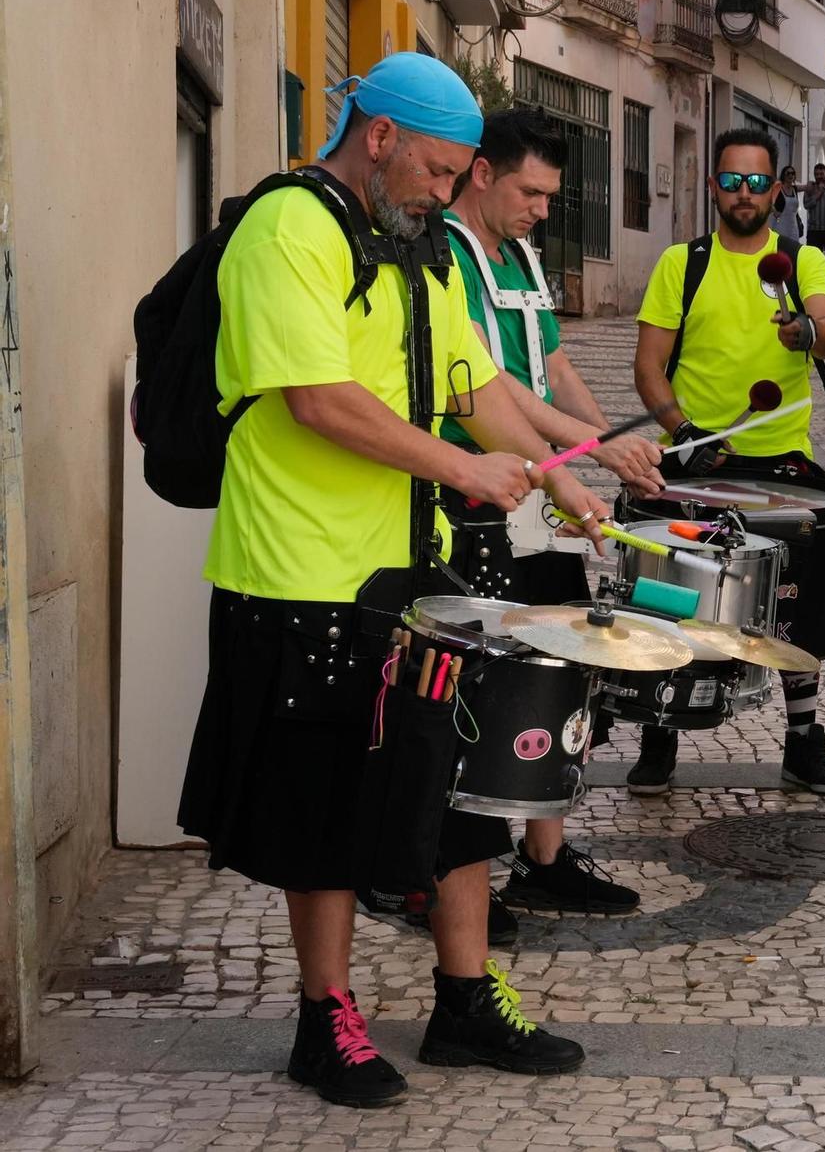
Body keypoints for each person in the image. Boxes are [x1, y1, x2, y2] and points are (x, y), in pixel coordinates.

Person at [176, 54, 609, 1108]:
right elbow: (317, 397)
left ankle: (463, 998)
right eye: (435, 167)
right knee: (320, 811)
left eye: (458, 173)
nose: (445, 189)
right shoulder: (288, 230)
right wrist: (464, 470)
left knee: (453, 784)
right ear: (377, 137)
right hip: (300, 574)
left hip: (414, 575)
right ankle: (325, 1018)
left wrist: (559, 481)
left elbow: (474, 391)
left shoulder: (421, 253)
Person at [438, 106, 668, 931]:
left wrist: (604, 438)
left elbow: (555, 362)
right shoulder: (448, 257)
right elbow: (487, 391)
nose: (543, 209)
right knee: (478, 685)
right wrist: (594, 447)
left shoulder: (523, 255)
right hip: (478, 496)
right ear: (482, 172)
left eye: (550, 195)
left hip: (541, 493)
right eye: (531, 192)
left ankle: (543, 858)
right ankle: (448, 867)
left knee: (557, 668)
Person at [628, 127, 825, 794]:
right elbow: (648, 367)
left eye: (758, 182)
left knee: (798, 602)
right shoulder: (682, 264)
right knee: (668, 599)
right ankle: (658, 728)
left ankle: (803, 738)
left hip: (782, 463)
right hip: (698, 459)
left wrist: (806, 331)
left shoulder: (802, 261)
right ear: (713, 186)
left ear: (778, 190)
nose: (745, 194)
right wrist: (685, 428)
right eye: (732, 181)